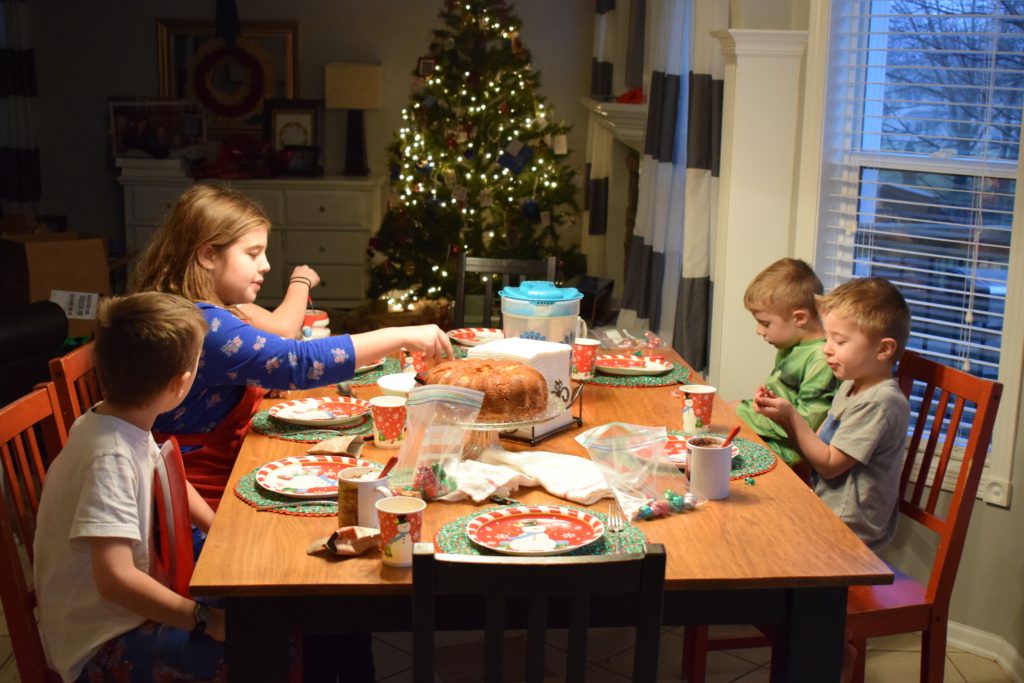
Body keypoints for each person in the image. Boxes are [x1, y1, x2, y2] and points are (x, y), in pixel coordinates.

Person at [131, 183, 453, 509]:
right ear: (208, 255)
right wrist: (399, 335)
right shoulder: (206, 327)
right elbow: (297, 362)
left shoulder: (194, 308)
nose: (266, 265)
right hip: (199, 507)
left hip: (202, 485)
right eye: (253, 253)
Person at [33, 292, 225, 682]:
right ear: (180, 384)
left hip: (119, 612)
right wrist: (203, 619)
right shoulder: (111, 457)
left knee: (257, 604)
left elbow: (165, 474)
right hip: (100, 641)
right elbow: (115, 578)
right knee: (261, 645)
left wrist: (223, 531)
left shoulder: (118, 417)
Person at [752, 276, 911, 552]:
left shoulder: (881, 402)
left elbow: (827, 463)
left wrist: (791, 416)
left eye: (839, 341)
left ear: (883, 349)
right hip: (822, 511)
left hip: (847, 533)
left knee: (757, 538)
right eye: (828, 338)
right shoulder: (851, 384)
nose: (826, 349)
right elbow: (818, 444)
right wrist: (782, 416)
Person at [735, 258, 839, 481]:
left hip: (789, 458)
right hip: (767, 438)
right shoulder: (792, 345)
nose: (759, 331)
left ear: (799, 318)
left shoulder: (821, 359)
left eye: (765, 323)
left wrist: (742, 412)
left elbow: (807, 426)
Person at [236, 263, 322, 338]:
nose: (266, 266)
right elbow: (283, 331)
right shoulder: (226, 307)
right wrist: (301, 280)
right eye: (252, 254)